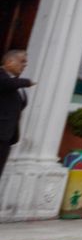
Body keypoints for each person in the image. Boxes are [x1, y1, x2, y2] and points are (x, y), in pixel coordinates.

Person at [1, 48, 31, 186]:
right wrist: (28, 82)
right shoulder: (3, 78)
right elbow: (7, 84)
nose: (25, 65)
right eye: (22, 61)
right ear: (9, 62)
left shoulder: (16, 83)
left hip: (6, 137)